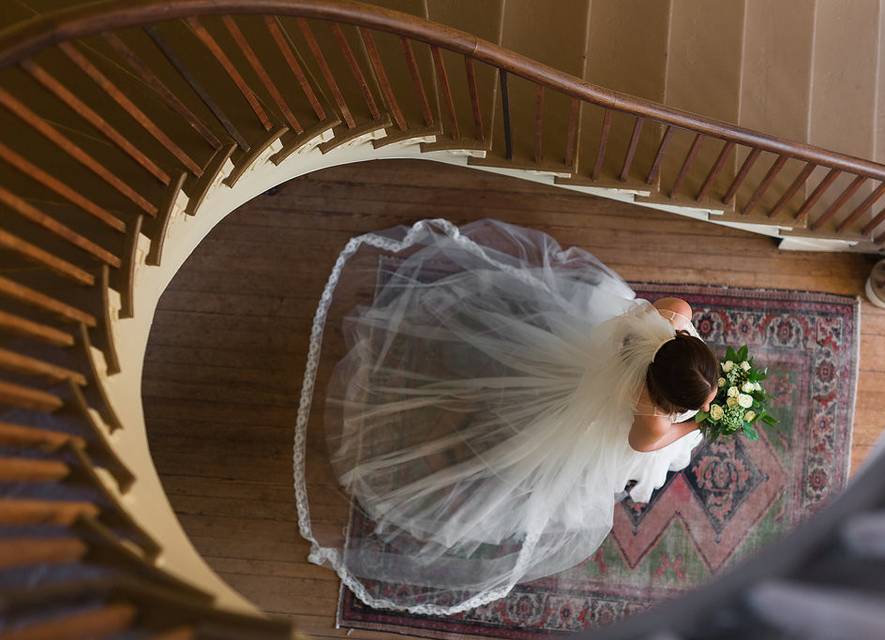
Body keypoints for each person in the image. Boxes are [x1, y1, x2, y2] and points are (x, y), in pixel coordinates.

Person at [292, 218, 720, 615]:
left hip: (588, 362)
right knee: (523, 444)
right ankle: (454, 452)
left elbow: (654, 328)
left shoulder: (673, 313)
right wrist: (702, 420)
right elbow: (648, 444)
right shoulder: (648, 419)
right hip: (589, 412)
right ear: (666, 399)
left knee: (514, 384)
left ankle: (480, 396)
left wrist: (707, 394)